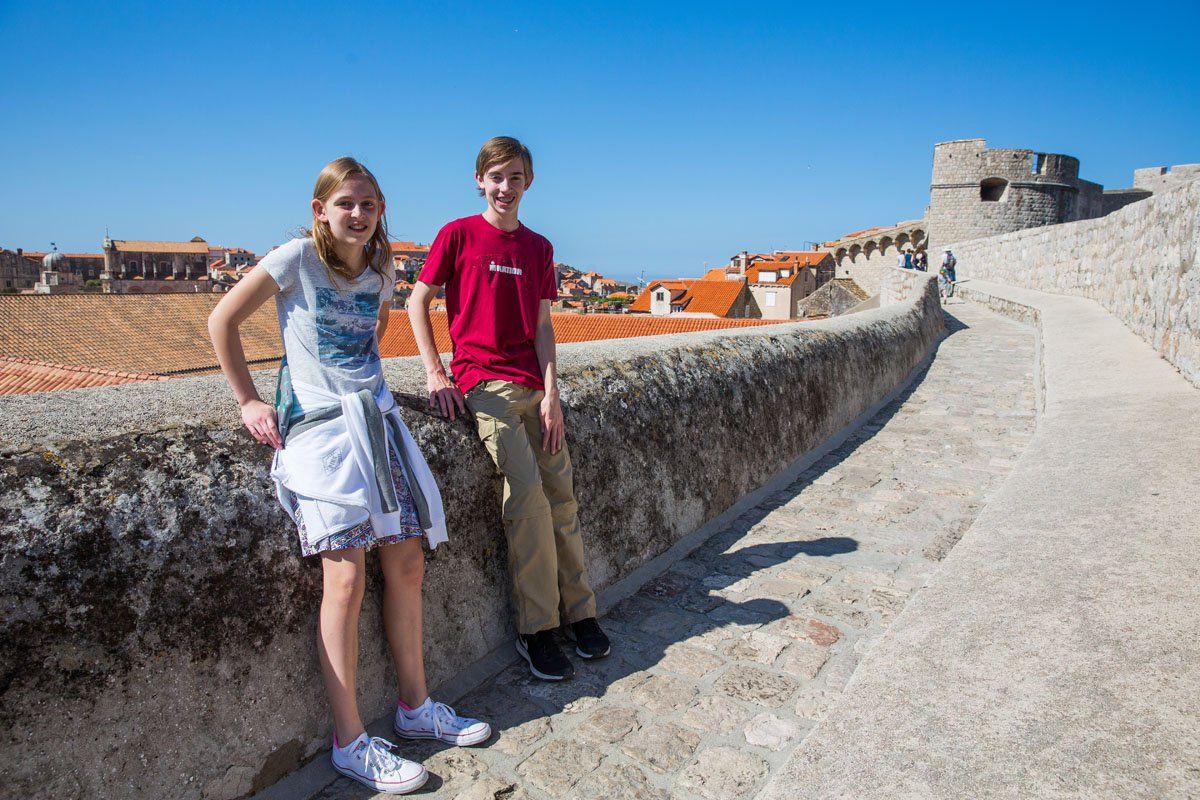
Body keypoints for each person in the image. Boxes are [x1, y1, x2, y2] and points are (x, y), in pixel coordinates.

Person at [208, 157, 489, 795]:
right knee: (345, 578)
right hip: (321, 433)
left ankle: (415, 709)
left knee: (408, 561)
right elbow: (221, 321)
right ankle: (349, 740)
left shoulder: (383, 270)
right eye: (345, 204)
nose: (357, 214)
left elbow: (374, 336)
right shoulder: (293, 260)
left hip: (376, 423)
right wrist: (249, 400)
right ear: (321, 211)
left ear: (380, 210)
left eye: (368, 204)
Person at [408, 136, 611, 683]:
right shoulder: (458, 234)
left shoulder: (539, 249)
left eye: (515, 177)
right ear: (480, 180)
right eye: (496, 176)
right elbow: (416, 301)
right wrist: (435, 372)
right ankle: (537, 629)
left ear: (529, 182)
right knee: (527, 498)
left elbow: (544, 328)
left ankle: (581, 614)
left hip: (533, 387)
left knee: (563, 501)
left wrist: (552, 394)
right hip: (483, 384)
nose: (505, 187)